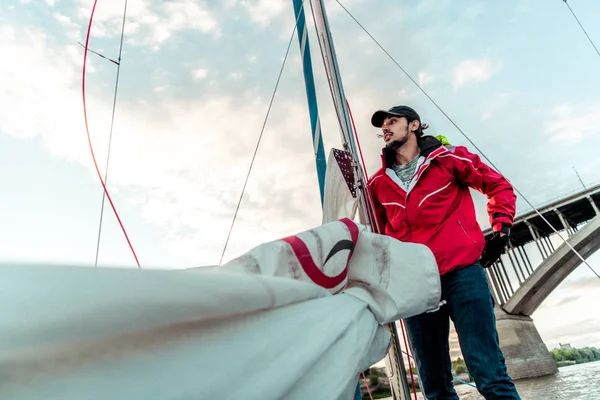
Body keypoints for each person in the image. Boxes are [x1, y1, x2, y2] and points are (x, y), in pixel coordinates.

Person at [367, 105, 521, 399]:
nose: (385, 128)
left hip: (462, 274)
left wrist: (501, 228)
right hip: (416, 286)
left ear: (413, 125)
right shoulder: (377, 184)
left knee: (489, 374)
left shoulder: (449, 158)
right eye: (382, 125)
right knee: (434, 384)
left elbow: (498, 185)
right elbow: (378, 236)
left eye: (392, 121)